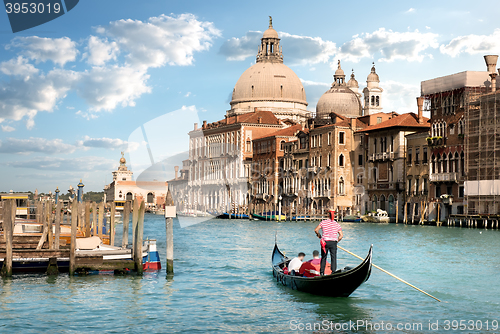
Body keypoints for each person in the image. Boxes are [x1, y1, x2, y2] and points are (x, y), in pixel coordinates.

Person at [314, 210, 343, 275]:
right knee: (333, 257)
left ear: (328, 215)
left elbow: (316, 230)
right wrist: (336, 241)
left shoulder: (323, 222)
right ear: (334, 216)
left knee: (324, 257)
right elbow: (341, 235)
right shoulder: (337, 224)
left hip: (324, 242)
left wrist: (318, 235)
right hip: (333, 242)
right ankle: (333, 272)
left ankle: (322, 272)